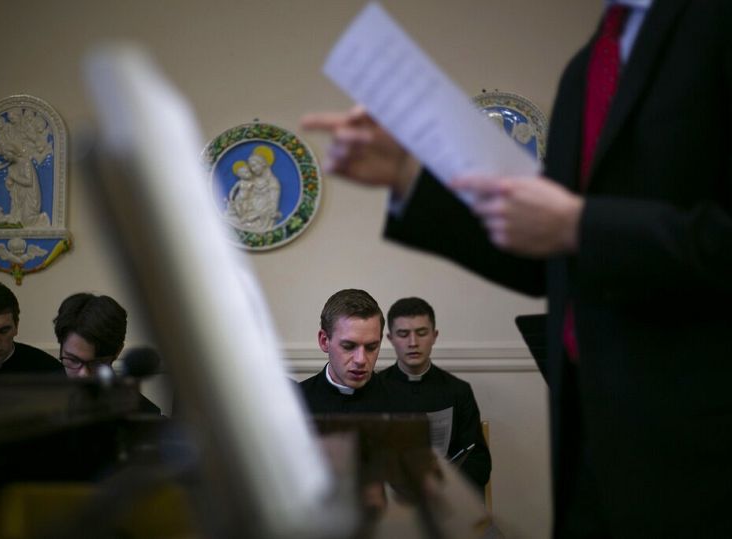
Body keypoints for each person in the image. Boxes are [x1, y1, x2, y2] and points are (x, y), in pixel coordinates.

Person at [301, 2, 732, 536]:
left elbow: (585, 231)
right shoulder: (587, 65)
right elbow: (547, 256)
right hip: (595, 440)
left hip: (707, 436)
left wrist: (583, 225)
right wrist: (410, 179)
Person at [380, 297, 491, 491]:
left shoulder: (458, 390)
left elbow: (480, 464)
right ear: (390, 339)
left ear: (434, 335)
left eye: (421, 333)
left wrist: (444, 479)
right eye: (403, 334)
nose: (413, 342)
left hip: (444, 496)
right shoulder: (375, 388)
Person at [53, 292, 161, 414]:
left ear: (118, 351)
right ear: (61, 347)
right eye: (73, 360)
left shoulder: (143, 413)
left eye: (96, 363)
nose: (83, 374)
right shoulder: (37, 396)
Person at [299, 288, 391, 413]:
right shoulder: (294, 402)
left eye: (371, 347)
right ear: (324, 341)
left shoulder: (401, 403)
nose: (361, 360)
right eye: (348, 346)